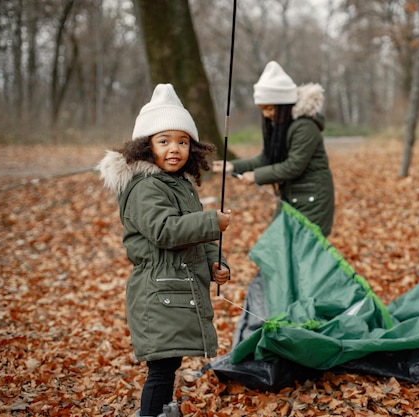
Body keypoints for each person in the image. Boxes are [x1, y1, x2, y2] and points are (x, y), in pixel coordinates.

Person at [97, 83, 231, 417]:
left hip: (175, 290)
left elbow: (196, 237)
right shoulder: (145, 187)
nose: (175, 149)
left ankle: (162, 411)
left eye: (182, 141)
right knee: (160, 368)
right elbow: (165, 231)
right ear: (146, 147)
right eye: (164, 141)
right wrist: (211, 221)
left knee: (169, 363)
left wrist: (217, 261)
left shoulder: (180, 185)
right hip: (157, 294)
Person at [213, 61, 334, 237]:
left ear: (284, 105)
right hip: (291, 198)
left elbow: (294, 165)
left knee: (303, 255)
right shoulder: (281, 126)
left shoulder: (304, 127)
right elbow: (266, 159)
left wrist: (256, 176)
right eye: (262, 109)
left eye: (270, 108)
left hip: (312, 200)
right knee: (277, 250)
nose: (266, 114)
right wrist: (232, 167)